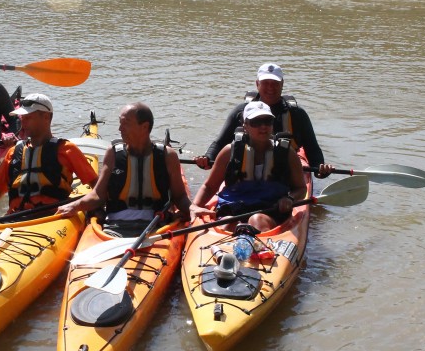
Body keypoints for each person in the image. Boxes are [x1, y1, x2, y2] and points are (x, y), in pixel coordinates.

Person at [57, 102, 191, 236]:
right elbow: (98, 195)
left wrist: (193, 208)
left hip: (157, 225)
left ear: (144, 127)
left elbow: (179, 197)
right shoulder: (113, 153)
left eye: (126, 123)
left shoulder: (168, 156)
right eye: (120, 123)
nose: (120, 129)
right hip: (115, 226)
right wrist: (75, 206)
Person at [0, 93, 98, 213]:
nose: (23, 122)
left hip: (53, 218)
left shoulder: (66, 150)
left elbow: (99, 190)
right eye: (22, 118)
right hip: (16, 219)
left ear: (46, 117)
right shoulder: (13, 152)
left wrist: (78, 207)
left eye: (28, 117)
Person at [190, 101, 309, 231]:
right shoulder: (229, 152)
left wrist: (290, 198)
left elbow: (301, 188)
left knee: (257, 220)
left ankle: (257, 247)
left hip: (271, 208)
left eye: (267, 121)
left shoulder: (288, 153)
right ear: (245, 126)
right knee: (228, 223)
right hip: (234, 207)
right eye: (256, 122)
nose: (263, 127)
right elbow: (209, 186)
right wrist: (194, 206)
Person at [194, 62, 329, 175]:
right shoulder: (240, 112)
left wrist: (320, 168)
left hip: (286, 171)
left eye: (275, 83)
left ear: (282, 84)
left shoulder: (297, 114)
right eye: (266, 82)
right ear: (257, 83)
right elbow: (220, 142)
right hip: (247, 169)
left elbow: (313, 149)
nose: (270, 87)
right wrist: (207, 158)